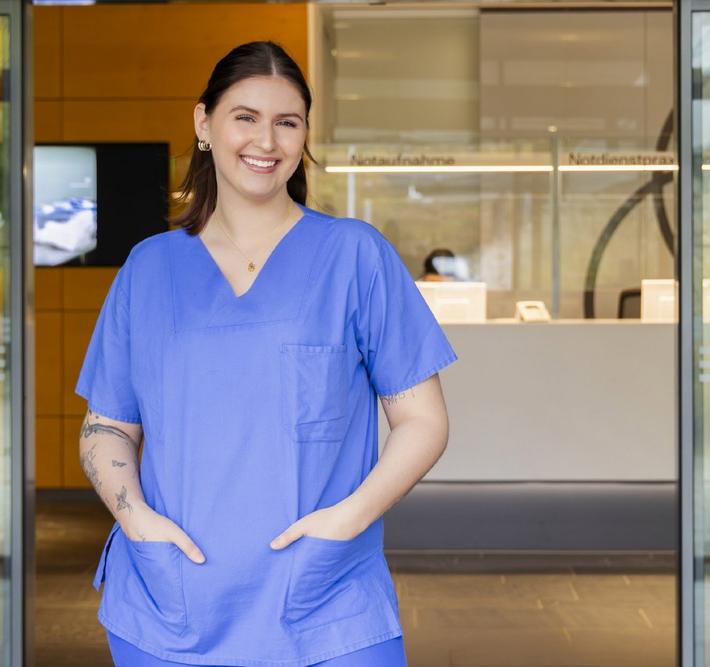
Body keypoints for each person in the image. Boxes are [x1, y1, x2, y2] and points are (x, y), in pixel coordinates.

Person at [74, 41, 457, 666]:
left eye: (288, 122)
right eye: (245, 117)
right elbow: (106, 425)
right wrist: (136, 519)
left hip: (325, 602)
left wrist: (349, 519)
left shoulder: (355, 256)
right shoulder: (150, 268)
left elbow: (423, 420)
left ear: (304, 135)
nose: (267, 140)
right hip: (173, 606)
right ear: (204, 124)